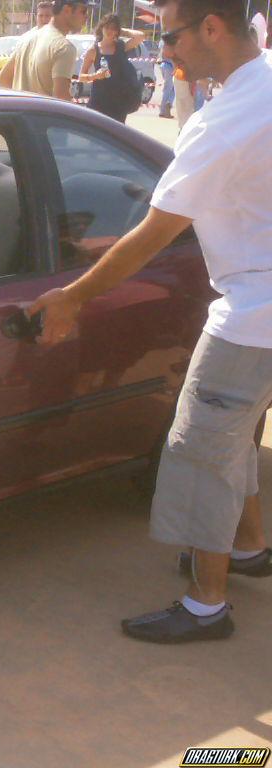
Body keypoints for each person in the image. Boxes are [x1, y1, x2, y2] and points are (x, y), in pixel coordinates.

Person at [29, 0, 272, 644]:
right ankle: (248, 547)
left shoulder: (223, 122)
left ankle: (206, 605)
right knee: (233, 433)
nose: (165, 53)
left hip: (254, 316)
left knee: (201, 448)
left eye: (171, 37)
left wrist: (73, 296)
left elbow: (157, 232)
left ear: (213, 27)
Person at [0, 0, 92, 99]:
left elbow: (4, 78)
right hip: (43, 109)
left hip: (20, 108)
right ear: (67, 10)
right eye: (83, 11)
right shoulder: (64, 47)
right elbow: (61, 98)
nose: (87, 17)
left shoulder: (27, 39)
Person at [79, 14, 146, 122]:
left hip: (119, 103)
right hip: (98, 101)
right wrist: (95, 76)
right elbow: (81, 77)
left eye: (113, 28)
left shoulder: (121, 46)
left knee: (115, 131)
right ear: (101, 28)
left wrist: (121, 31)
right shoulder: (94, 50)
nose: (110, 31)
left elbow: (140, 36)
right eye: (107, 27)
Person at [158, 40, 176, 117]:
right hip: (170, 66)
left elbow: (161, 53)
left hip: (164, 65)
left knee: (169, 88)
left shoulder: (163, 40)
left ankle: (164, 109)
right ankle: (166, 106)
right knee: (171, 89)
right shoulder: (172, 41)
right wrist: (175, 68)